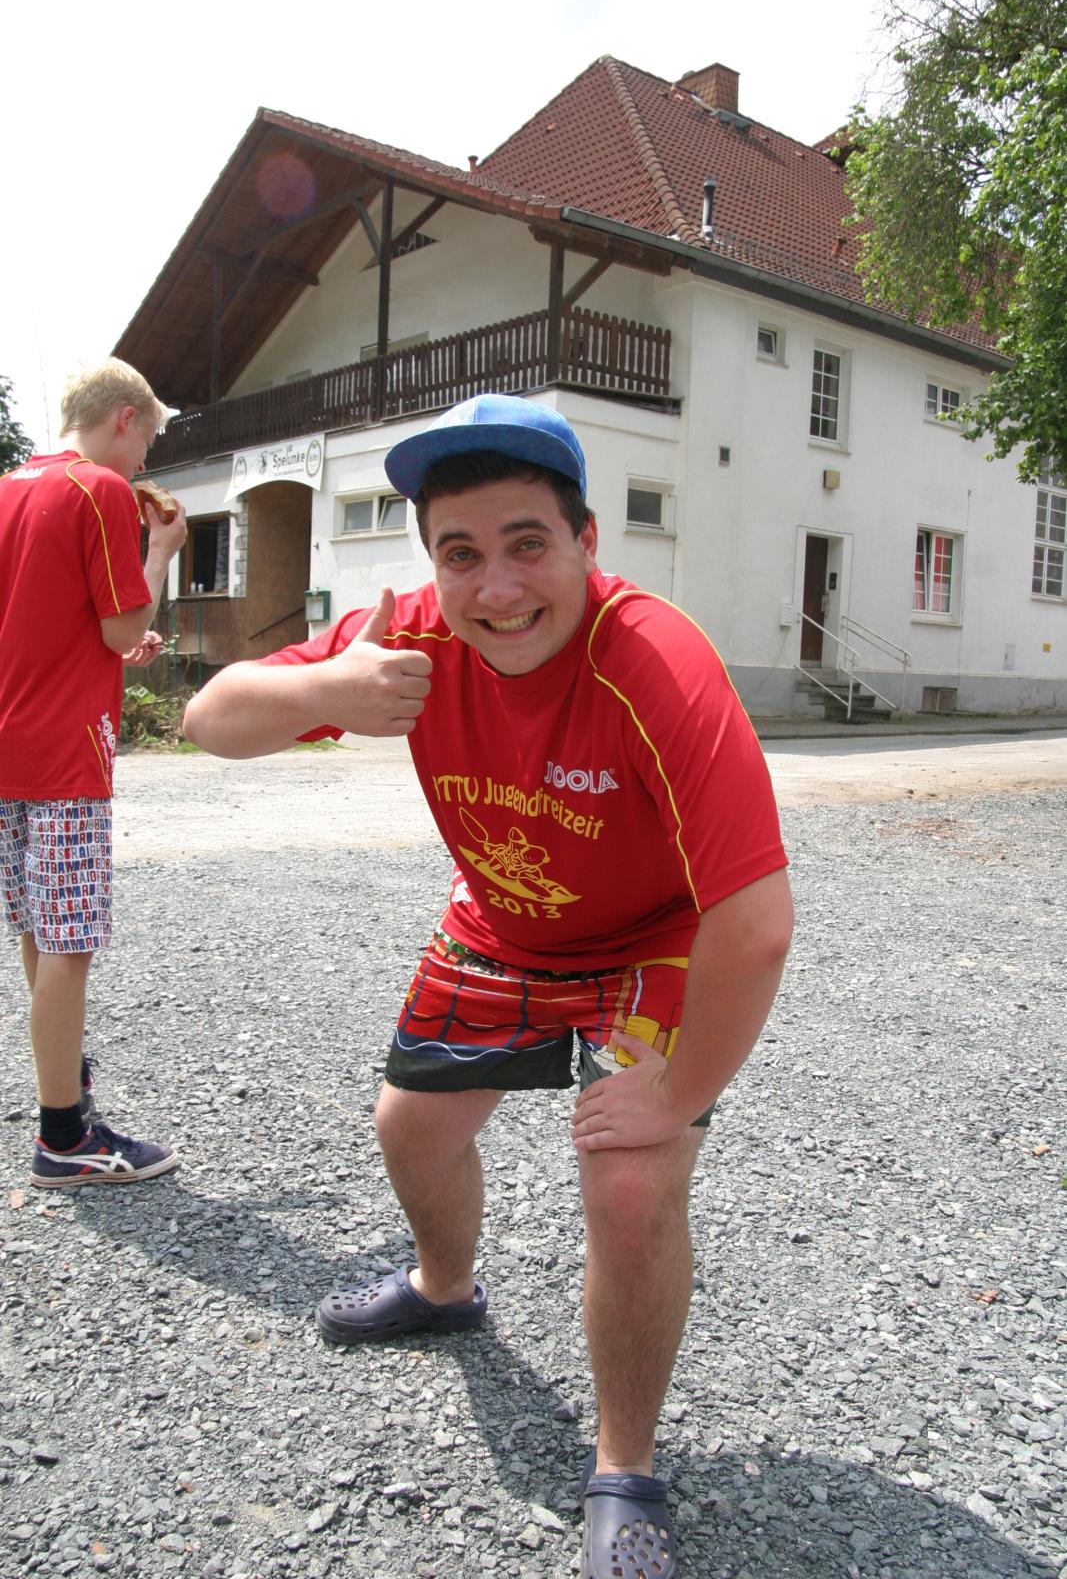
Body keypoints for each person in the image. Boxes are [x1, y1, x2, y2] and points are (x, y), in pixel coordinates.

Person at [183, 393, 793, 1579]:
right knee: (408, 1127)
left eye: (527, 543)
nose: (497, 586)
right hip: (504, 927)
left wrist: (675, 1092)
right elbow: (208, 719)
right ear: (430, 564)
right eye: (460, 552)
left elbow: (754, 922)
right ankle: (442, 1286)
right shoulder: (410, 637)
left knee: (629, 1184)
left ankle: (623, 1463)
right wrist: (320, 692)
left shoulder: (654, 658)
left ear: (585, 541)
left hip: (652, 944)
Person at [0, 358, 187, 1188]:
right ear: (124, 418)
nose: (145, 460)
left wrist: (110, 642)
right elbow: (122, 627)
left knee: (39, 932)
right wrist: (162, 549)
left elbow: (61, 622)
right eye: (148, 439)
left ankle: (65, 1092)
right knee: (70, 941)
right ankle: (64, 1139)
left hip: (7, 741)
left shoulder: (8, 487)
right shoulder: (99, 490)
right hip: (65, 749)